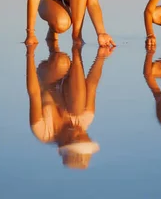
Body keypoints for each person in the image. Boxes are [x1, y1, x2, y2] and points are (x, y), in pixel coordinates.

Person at [25, 41, 114, 170]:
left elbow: (34, 93)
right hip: (70, 75)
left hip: (47, 77)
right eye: (86, 136)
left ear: (64, 142)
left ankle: (53, 38)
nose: (82, 130)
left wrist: (30, 53)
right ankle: (75, 45)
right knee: (78, 108)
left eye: (78, 136)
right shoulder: (86, 119)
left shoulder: (43, 131)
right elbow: (92, 85)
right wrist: (101, 56)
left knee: (60, 62)